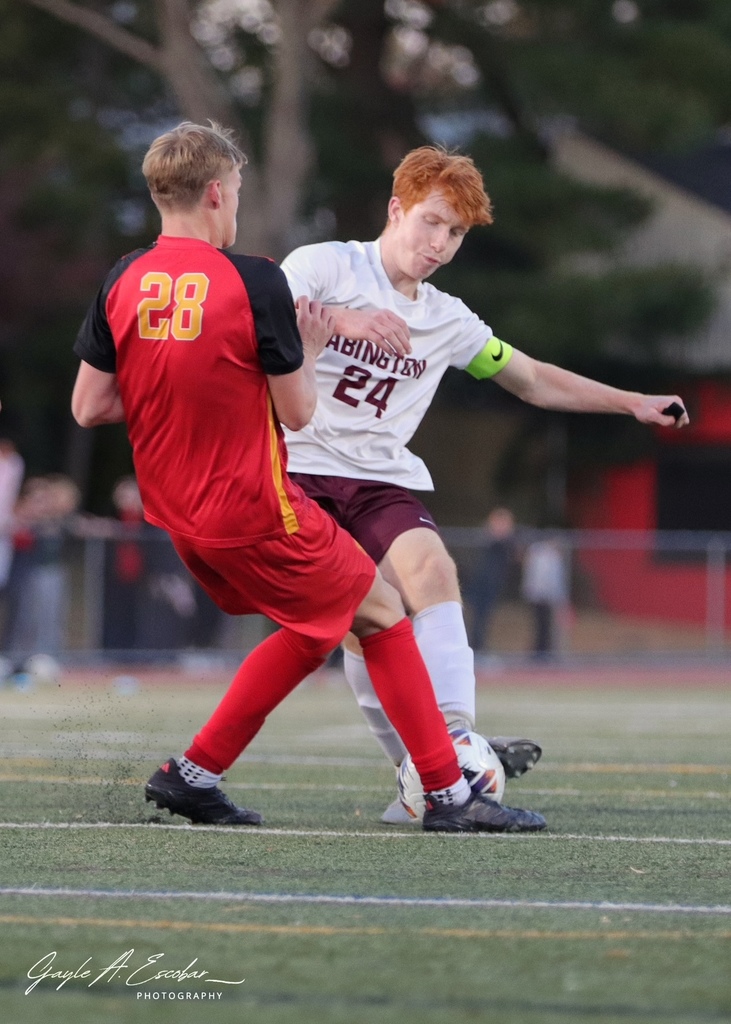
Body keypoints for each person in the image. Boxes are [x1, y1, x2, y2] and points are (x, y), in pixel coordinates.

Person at [70, 121, 545, 835]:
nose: (235, 205)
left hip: (178, 514)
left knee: (315, 627)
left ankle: (192, 775)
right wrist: (313, 344)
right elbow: (296, 414)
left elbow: (90, 406)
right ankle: (448, 793)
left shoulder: (123, 277)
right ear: (213, 192)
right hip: (252, 504)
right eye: (234, 191)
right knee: (382, 615)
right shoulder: (255, 279)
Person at [279, 144, 690, 823]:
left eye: (456, 233)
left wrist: (631, 401)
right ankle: (425, 772)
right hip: (296, 471)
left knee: (433, 572)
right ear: (395, 209)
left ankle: (454, 745)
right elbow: (267, 315)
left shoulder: (447, 319)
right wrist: (345, 320)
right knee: (365, 621)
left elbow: (527, 377)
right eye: (431, 223)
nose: (439, 243)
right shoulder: (325, 265)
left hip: (378, 480)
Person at [465, 507, 517, 653]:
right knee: (477, 616)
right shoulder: (486, 539)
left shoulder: (508, 542)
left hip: (494, 583)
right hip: (481, 582)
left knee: (484, 617)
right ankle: (475, 647)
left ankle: (479, 646)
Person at [521, 536, 570, 659]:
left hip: (548, 596)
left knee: (548, 626)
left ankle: (546, 651)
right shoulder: (542, 555)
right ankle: (540, 651)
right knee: (541, 625)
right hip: (541, 596)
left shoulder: (551, 557)